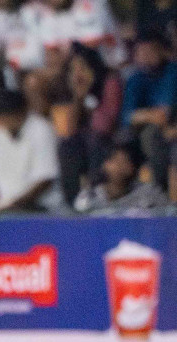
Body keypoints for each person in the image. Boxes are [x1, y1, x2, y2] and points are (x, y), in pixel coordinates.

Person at [52, 44, 122, 203]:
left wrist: (89, 94)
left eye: (82, 67)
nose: (78, 74)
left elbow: (104, 126)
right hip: (86, 145)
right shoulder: (76, 91)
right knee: (67, 145)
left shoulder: (110, 82)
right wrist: (79, 98)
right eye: (73, 69)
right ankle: (72, 202)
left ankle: (96, 197)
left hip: (112, 141)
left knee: (95, 140)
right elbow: (69, 131)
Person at [0, 90, 60, 215]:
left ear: (19, 113)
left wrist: (14, 204)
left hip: (40, 209)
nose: (2, 123)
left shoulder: (41, 128)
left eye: (5, 119)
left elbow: (45, 180)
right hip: (5, 209)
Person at [121, 33, 177, 191]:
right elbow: (127, 117)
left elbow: (165, 112)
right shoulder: (135, 78)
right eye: (141, 52)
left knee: (152, 135)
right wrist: (146, 115)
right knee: (125, 138)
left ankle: (160, 190)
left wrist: (143, 115)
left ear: (161, 51)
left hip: (169, 128)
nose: (146, 57)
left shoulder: (172, 72)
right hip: (150, 129)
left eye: (150, 51)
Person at [36, 0, 120, 66]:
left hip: (108, 65)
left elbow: (90, 49)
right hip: (71, 69)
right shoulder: (47, 12)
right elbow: (51, 51)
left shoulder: (89, 3)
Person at [74, 137, 174, 215]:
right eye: (115, 160)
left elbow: (168, 217)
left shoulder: (149, 195)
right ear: (105, 165)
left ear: (133, 167)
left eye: (125, 161)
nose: (120, 166)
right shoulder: (89, 197)